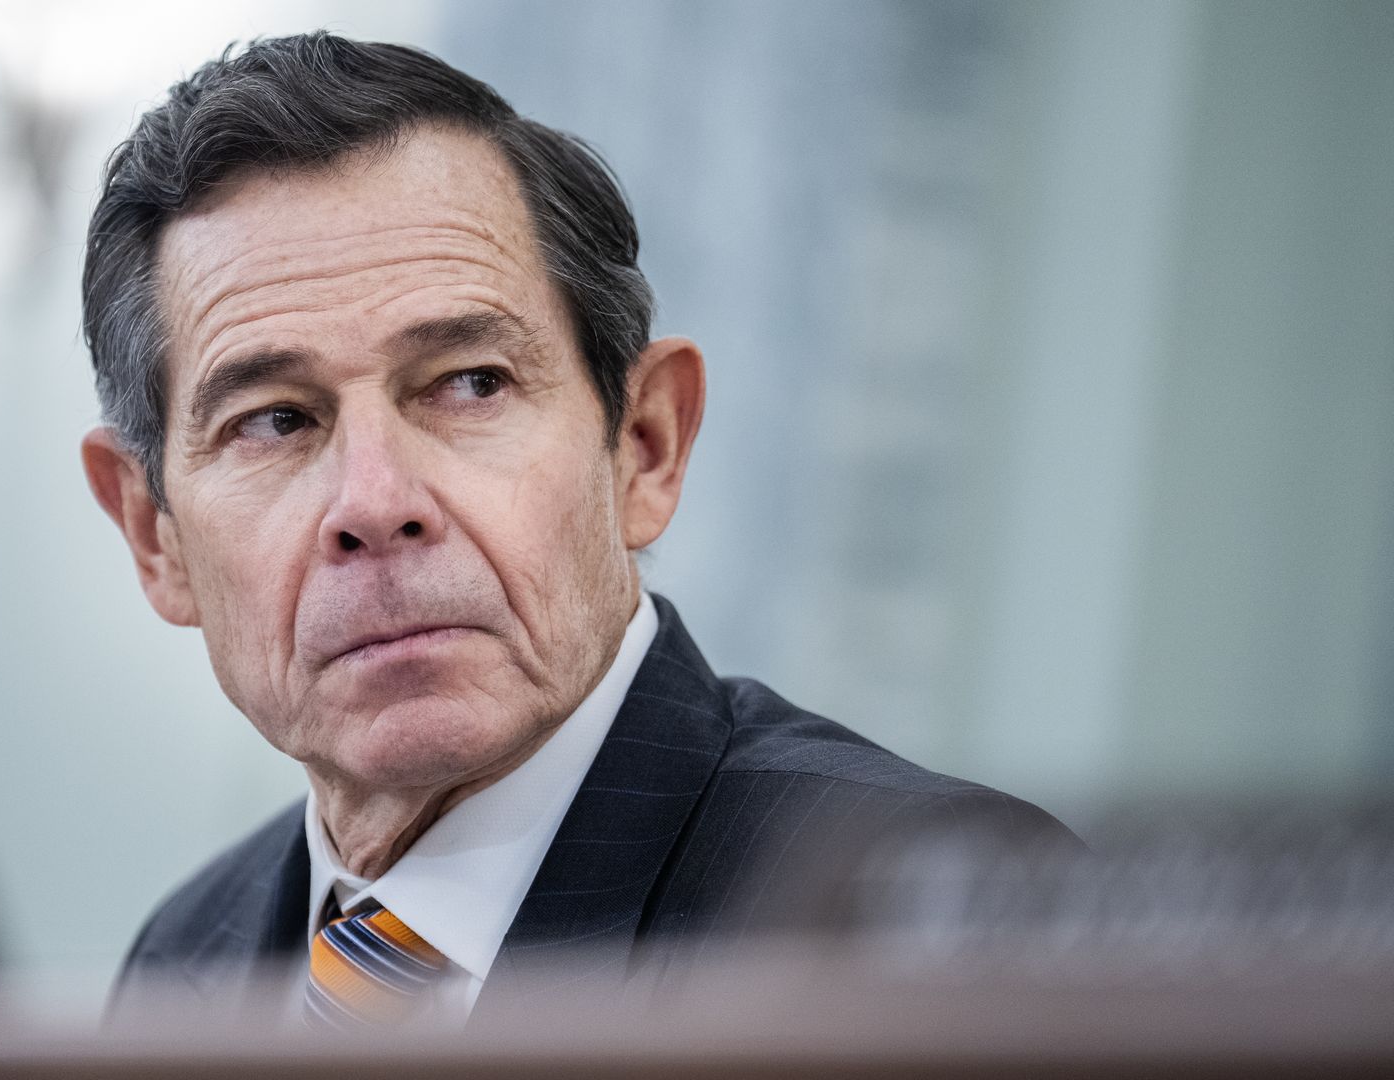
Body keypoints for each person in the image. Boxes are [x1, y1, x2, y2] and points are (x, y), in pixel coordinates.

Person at [79, 32, 1074, 1028]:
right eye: (275, 421)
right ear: (153, 534)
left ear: (644, 445)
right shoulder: (184, 961)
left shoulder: (922, 923)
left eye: (470, 384)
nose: (376, 503)